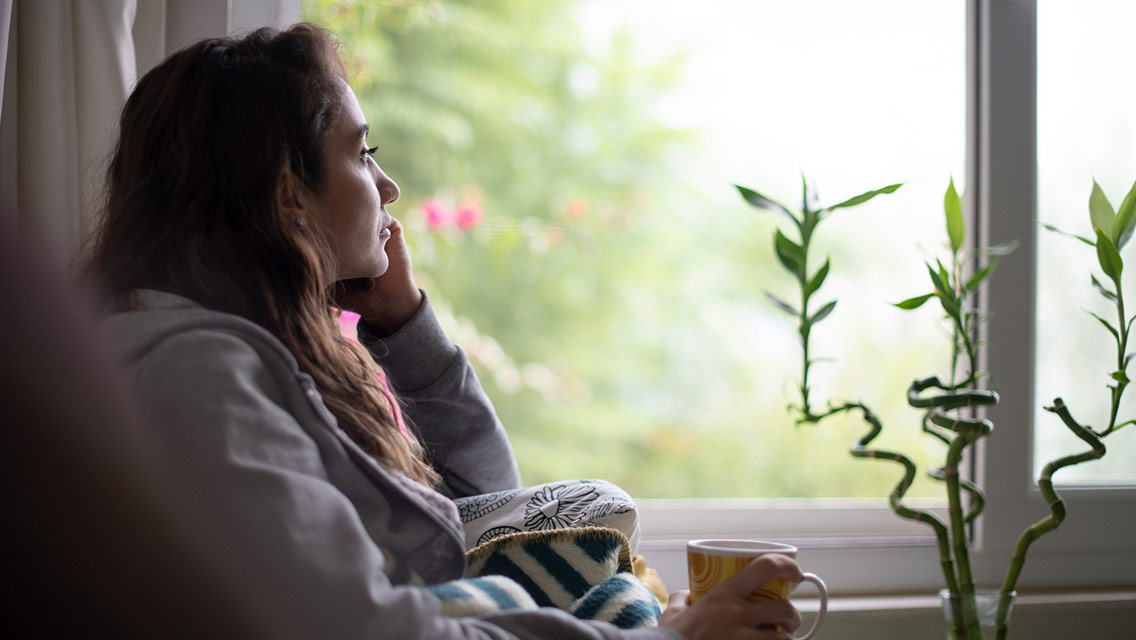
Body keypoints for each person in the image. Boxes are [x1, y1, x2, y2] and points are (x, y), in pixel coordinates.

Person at [81, 23, 805, 640]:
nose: (388, 187)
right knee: (610, 566)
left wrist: (403, 324)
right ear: (287, 194)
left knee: (589, 508)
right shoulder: (202, 378)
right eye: (362, 153)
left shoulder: (245, 353)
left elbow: (468, 527)